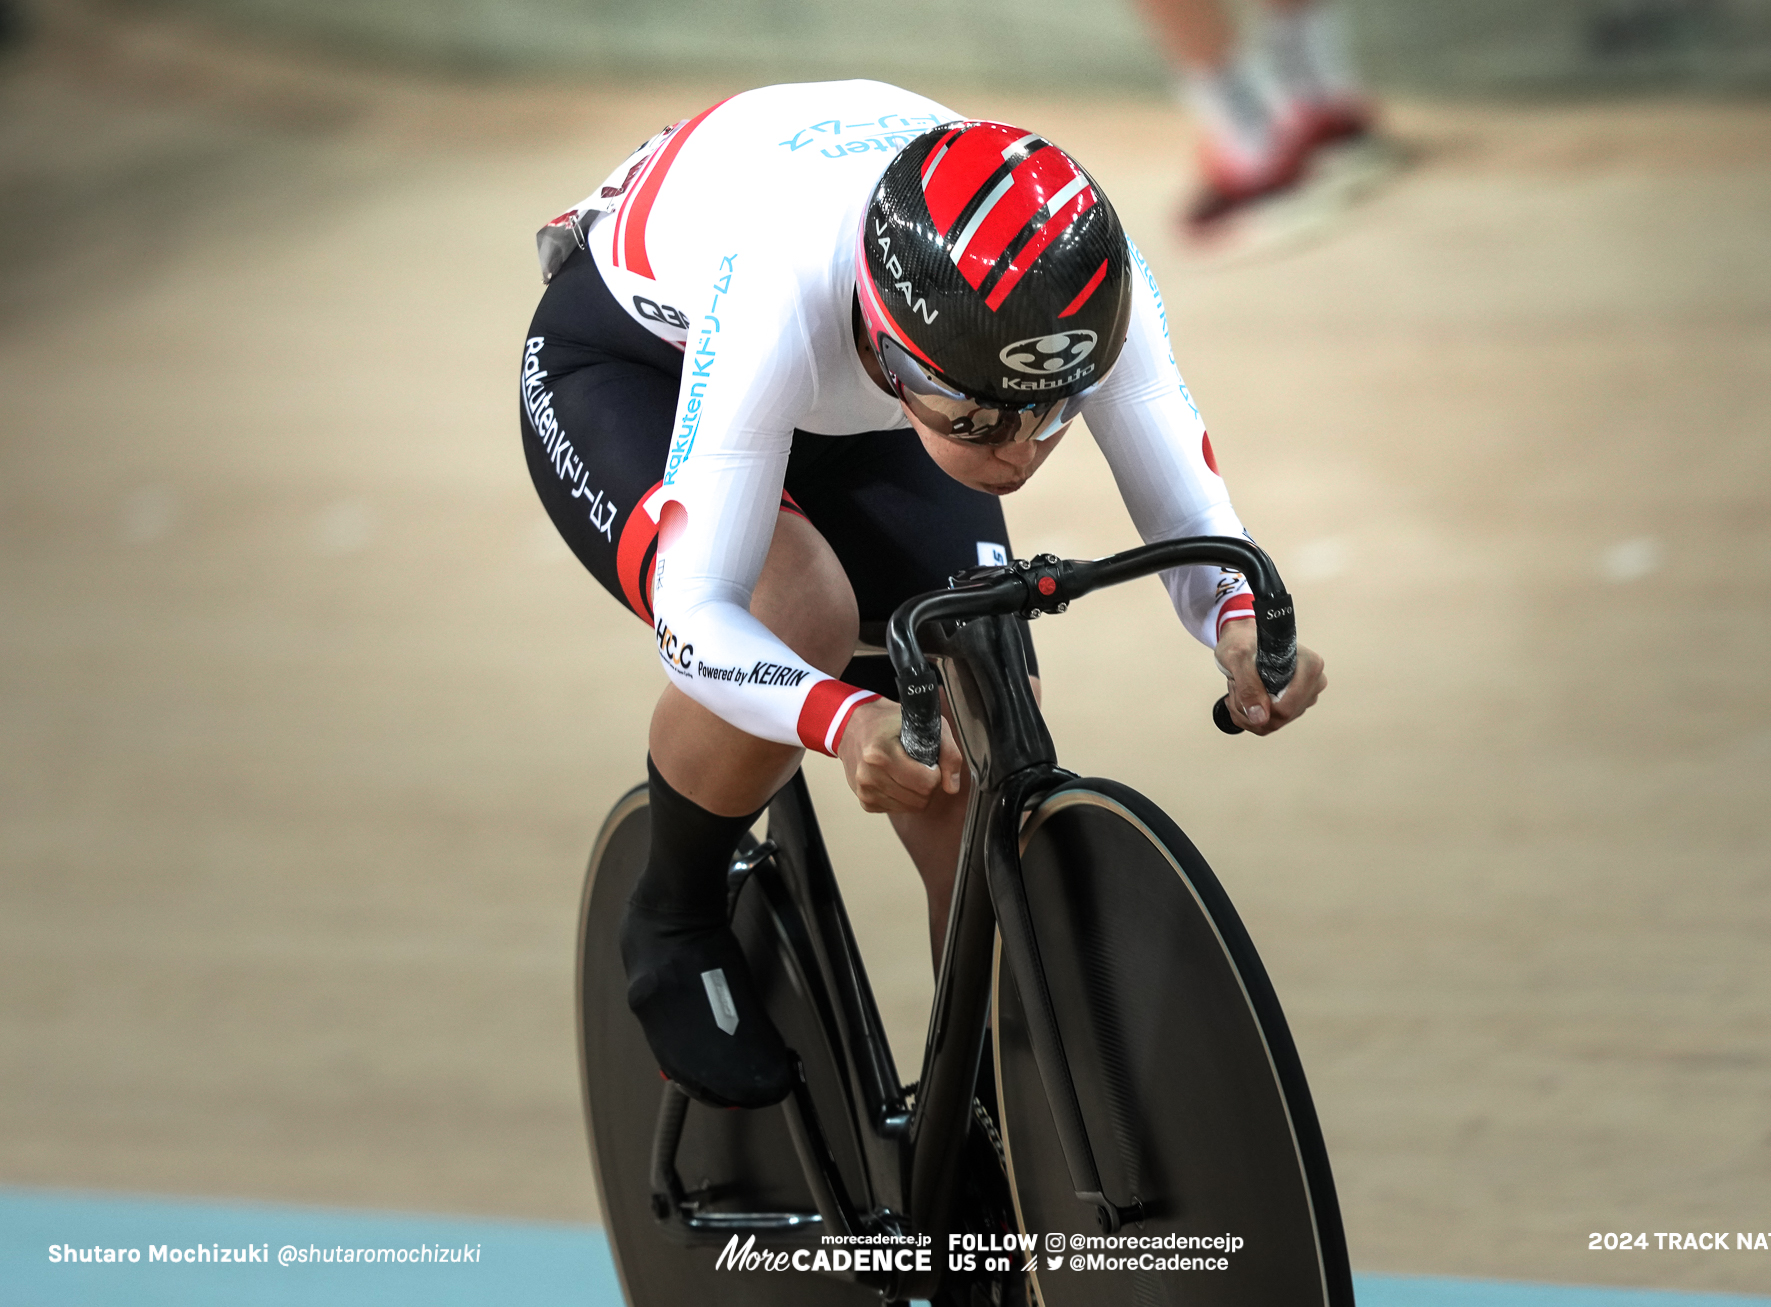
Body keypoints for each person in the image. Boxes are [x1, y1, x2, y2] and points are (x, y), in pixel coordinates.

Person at [520, 81, 1326, 1110]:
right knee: (799, 607)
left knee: (972, 713)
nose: (1019, 452)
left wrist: (1236, 619)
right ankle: (673, 912)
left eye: (1050, 413)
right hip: (636, 364)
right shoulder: (781, 289)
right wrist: (843, 718)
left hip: (861, 384)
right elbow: (697, 616)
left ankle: (984, 1100)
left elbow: (1180, 486)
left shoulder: (1075, 282)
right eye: (981, 419)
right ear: (894, 350)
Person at [1131, 0, 1374, 233]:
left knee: (1259, 147)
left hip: (1269, 173)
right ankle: (1323, 103)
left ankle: (1257, 152)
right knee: (1317, 94)